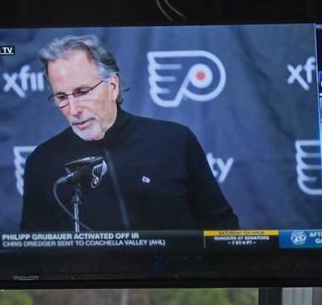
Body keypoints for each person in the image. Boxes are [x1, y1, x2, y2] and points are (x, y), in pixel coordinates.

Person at [19, 35, 238, 232]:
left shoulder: (174, 141)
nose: (73, 110)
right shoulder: (42, 162)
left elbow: (221, 227)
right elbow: (35, 253)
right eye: (62, 97)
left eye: (82, 92)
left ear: (112, 86)